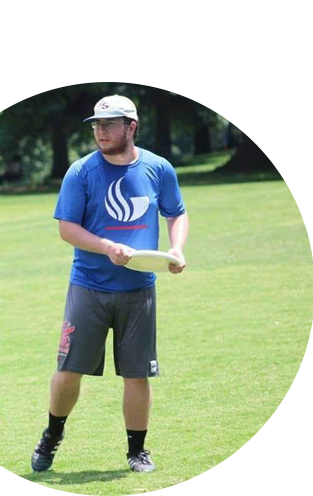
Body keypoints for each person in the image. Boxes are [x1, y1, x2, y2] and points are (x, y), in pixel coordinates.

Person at [31, 95, 189, 474]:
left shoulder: (159, 168)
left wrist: (177, 249)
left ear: (131, 127)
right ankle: (52, 436)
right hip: (89, 287)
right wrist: (106, 247)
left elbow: (177, 213)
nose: (101, 131)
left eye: (110, 124)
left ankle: (137, 451)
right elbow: (66, 228)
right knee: (69, 371)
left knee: (137, 373)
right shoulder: (81, 172)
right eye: (97, 125)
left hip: (139, 290)